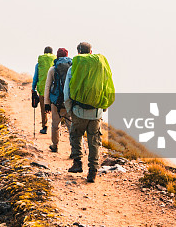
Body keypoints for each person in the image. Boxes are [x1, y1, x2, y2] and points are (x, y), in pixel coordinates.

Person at [64, 42, 115, 183]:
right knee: (94, 141)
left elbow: (66, 92)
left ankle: (77, 163)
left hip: (78, 111)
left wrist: (69, 110)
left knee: (76, 136)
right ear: (91, 52)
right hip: (96, 113)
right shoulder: (100, 67)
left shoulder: (73, 68)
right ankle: (92, 171)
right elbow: (106, 87)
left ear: (78, 52)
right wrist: (103, 107)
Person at [43, 47, 72, 154]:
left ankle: (55, 146)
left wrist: (47, 103)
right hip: (69, 102)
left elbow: (47, 86)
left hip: (56, 102)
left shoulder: (53, 69)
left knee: (55, 125)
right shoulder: (72, 68)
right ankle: (74, 148)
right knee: (71, 126)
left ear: (57, 56)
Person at [31, 46, 56, 134]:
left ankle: (44, 127)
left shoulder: (39, 64)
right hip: (53, 91)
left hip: (42, 89)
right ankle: (55, 127)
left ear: (44, 53)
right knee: (54, 109)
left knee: (43, 109)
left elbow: (35, 77)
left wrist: (33, 88)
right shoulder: (55, 63)